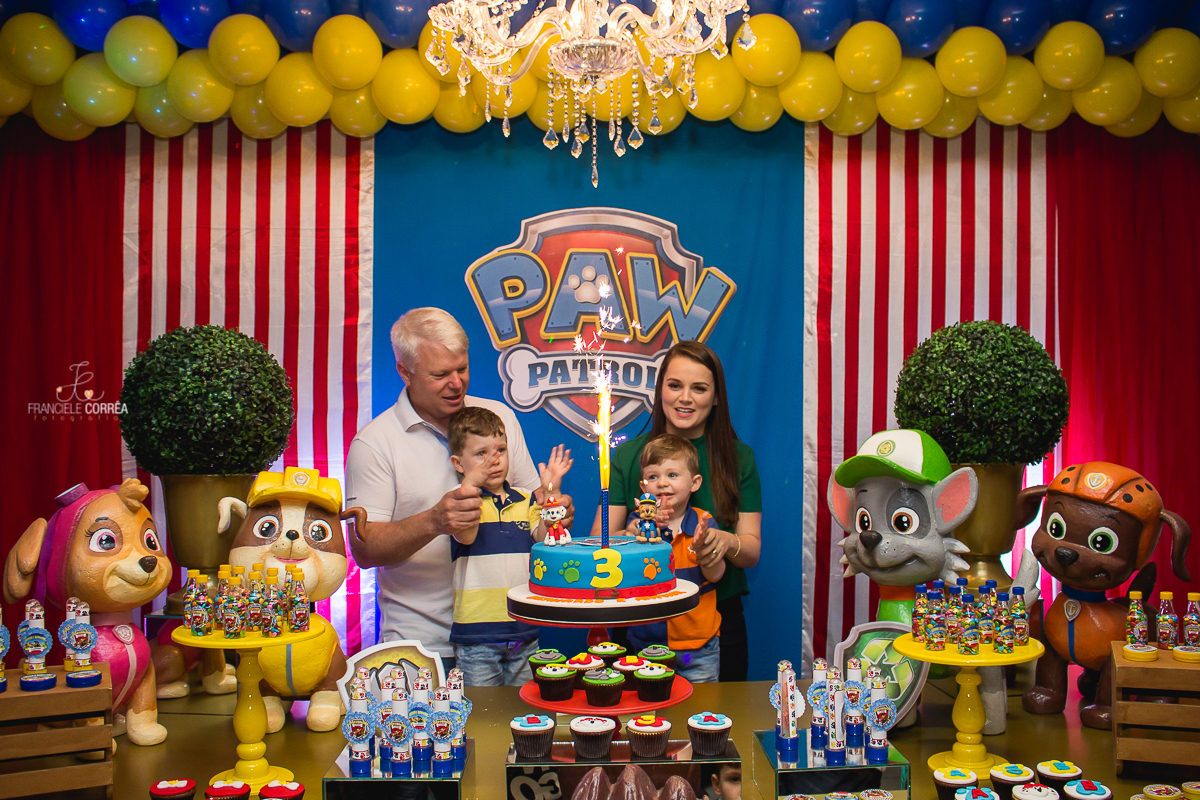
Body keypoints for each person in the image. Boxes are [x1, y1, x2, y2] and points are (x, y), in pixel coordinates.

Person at [345, 308, 574, 669]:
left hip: (508, 635)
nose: (456, 383)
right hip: (422, 647)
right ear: (405, 372)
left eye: (462, 369)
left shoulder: (499, 419)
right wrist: (433, 521)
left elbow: (534, 504)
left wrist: (554, 510)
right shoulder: (375, 443)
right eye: (440, 374)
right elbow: (364, 550)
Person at [594, 340, 761, 681]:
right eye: (675, 385)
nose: (685, 398)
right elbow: (600, 543)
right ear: (660, 390)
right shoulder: (627, 457)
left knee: (713, 729)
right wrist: (630, 537)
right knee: (639, 729)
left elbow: (751, 549)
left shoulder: (738, 458)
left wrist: (724, 543)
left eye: (699, 388)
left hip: (713, 624)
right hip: (639, 623)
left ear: (715, 398)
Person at [446, 406, 572, 686]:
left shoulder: (526, 499)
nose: (494, 461)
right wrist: (471, 484)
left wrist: (551, 491)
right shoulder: (458, 502)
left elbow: (545, 537)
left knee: (525, 713)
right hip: (476, 637)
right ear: (457, 463)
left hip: (523, 631)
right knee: (484, 717)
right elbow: (465, 536)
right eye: (481, 454)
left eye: (500, 450)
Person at [625, 435, 724, 683]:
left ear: (695, 482)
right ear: (643, 486)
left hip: (699, 648)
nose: (662, 484)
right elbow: (627, 559)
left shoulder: (704, 523)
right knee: (650, 716)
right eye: (653, 477)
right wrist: (638, 532)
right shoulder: (638, 523)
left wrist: (704, 551)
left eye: (672, 475)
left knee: (701, 715)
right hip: (648, 648)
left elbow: (716, 575)